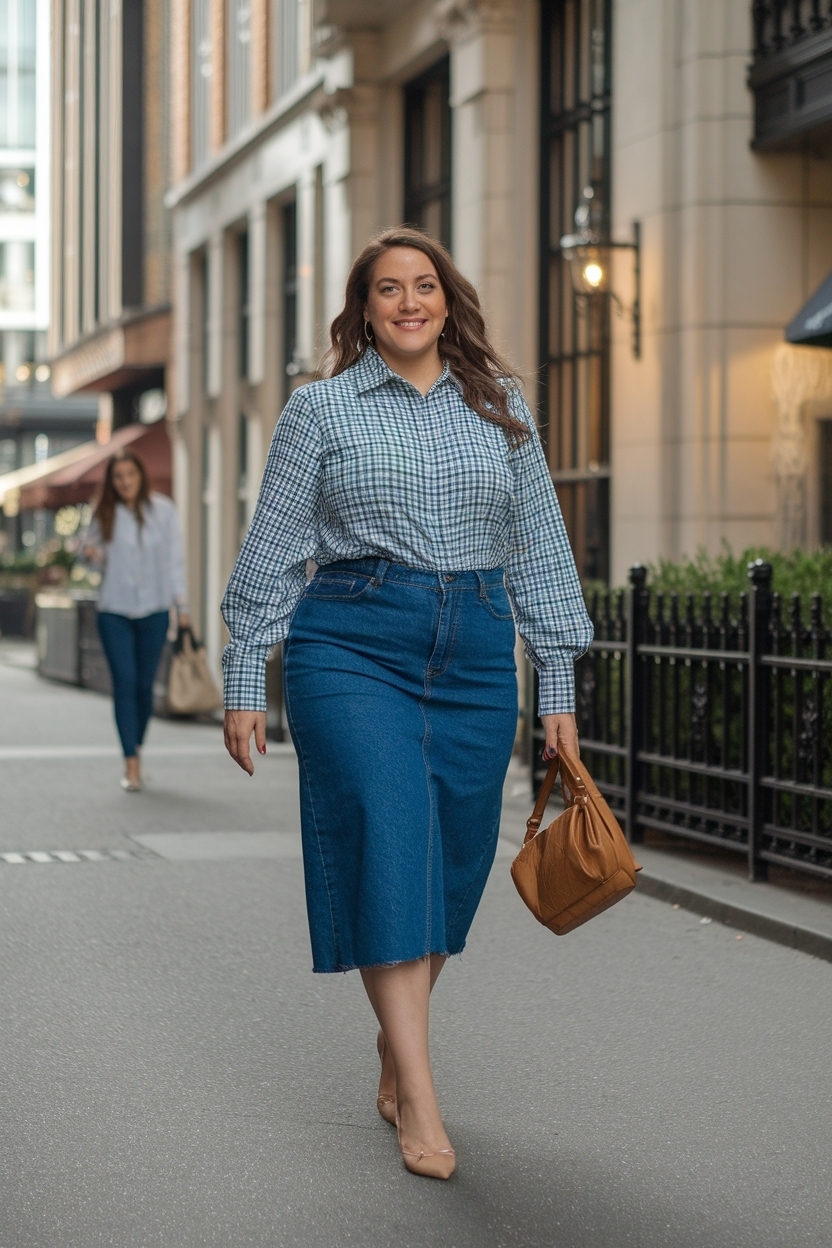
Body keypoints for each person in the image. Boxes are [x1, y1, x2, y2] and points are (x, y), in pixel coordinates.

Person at [221, 227, 593, 1180]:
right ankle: (421, 1100)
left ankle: (395, 1048)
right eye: (388, 290)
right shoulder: (321, 413)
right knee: (391, 837)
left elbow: (543, 550)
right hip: (351, 642)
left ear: (446, 298)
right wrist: (242, 675)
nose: (409, 302)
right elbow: (273, 546)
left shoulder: (502, 407)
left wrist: (558, 682)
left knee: (455, 862)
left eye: (424, 285)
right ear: (365, 310)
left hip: (472, 650)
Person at [84, 449, 189, 792]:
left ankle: (137, 748)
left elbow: (175, 563)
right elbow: (89, 562)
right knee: (125, 683)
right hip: (114, 610)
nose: (125, 482)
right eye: (118, 477)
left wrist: (183, 609)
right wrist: (91, 556)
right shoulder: (103, 514)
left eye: (130, 475)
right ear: (112, 482)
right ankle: (131, 764)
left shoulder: (163, 511)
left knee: (145, 687)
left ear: (140, 476)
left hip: (155, 610)